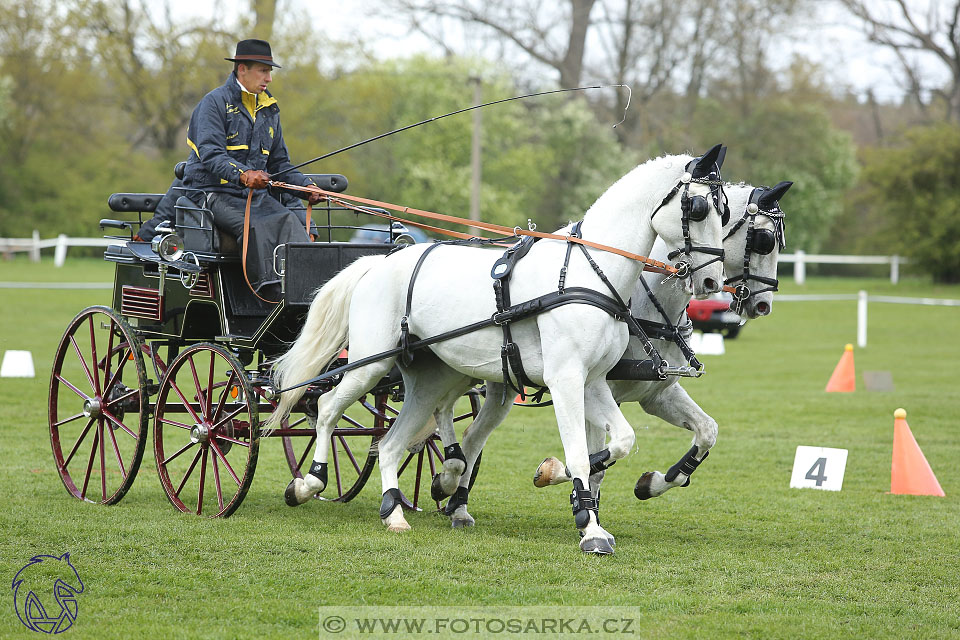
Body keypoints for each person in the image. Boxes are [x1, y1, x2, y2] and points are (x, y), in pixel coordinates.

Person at [181, 38, 320, 299]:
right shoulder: (214, 103)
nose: (269, 78)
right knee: (256, 224)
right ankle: (269, 293)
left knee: (290, 220)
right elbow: (210, 154)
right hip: (210, 194)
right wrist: (243, 174)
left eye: (270, 72)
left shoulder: (269, 109)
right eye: (263, 71)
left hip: (254, 197)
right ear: (241, 69)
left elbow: (279, 163)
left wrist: (306, 187)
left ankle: (306, 291)